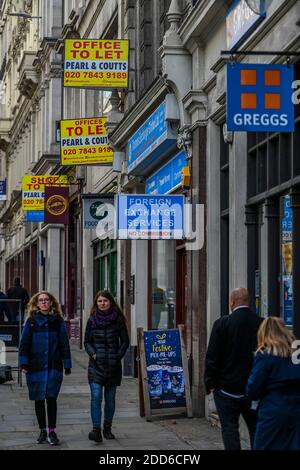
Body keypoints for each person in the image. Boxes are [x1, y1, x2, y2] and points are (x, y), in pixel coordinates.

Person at [204, 287, 262, 450]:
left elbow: (212, 358)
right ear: (248, 302)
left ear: (232, 302)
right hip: (253, 389)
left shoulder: (222, 324)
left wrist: (209, 383)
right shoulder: (261, 323)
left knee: (230, 430)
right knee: (256, 428)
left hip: (226, 389)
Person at [19, 291, 72, 445]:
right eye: (41, 300)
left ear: (51, 303)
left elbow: (64, 343)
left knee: (51, 398)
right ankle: (42, 430)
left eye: (46, 300)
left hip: (53, 365)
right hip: (35, 366)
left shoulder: (58, 320)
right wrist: (24, 363)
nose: (43, 303)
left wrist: (67, 364)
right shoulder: (31, 321)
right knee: (38, 399)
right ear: (37, 303)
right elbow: (24, 345)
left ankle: (52, 431)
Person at [247, 316, 300, 450]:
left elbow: (253, 388)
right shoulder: (296, 355)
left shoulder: (265, 356)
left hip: (272, 410)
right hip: (296, 409)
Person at [84, 290, 129, 443]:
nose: (102, 303)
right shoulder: (92, 320)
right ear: (96, 303)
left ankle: (107, 428)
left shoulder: (118, 319)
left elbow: (125, 342)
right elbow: (87, 342)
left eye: (105, 301)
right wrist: (93, 354)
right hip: (96, 366)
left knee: (110, 399)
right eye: (99, 301)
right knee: (96, 397)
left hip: (113, 366)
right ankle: (96, 429)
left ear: (111, 302)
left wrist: (117, 357)